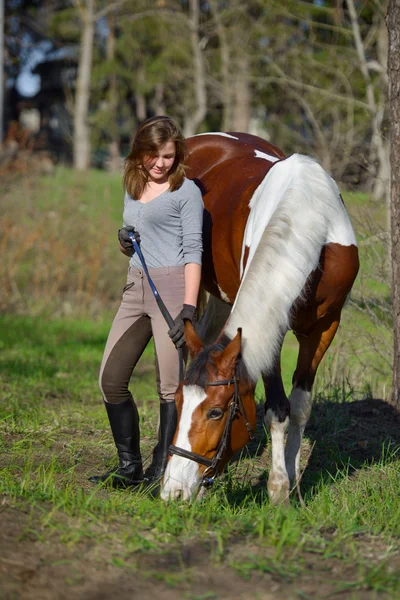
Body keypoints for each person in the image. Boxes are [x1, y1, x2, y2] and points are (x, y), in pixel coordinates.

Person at [89, 116, 203, 488]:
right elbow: (137, 234)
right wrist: (124, 240)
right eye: (153, 155)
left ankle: (161, 467)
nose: (160, 163)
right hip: (135, 287)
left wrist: (188, 309)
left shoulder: (185, 191)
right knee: (110, 379)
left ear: (178, 155)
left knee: (170, 388)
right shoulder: (133, 183)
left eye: (168, 156)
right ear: (139, 153)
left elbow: (193, 251)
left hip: (171, 291)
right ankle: (129, 467)